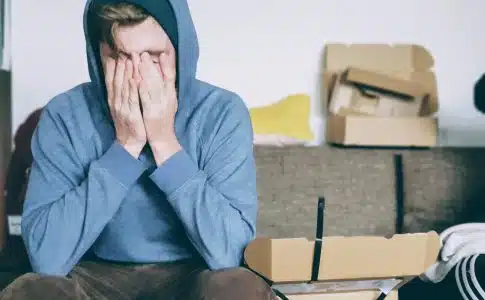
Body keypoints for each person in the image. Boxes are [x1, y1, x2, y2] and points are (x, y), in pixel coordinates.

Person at [0, 0, 274, 299]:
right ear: (98, 56)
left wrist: (164, 142)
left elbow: (229, 254)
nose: (136, 76)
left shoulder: (222, 112)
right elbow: (47, 259)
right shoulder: (64, 114)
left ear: (180, 52)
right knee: (33, 291)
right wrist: (126, 146)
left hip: (193, 274)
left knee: (238, 287)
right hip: (94, 274)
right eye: (119, 57)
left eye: (154, 56)